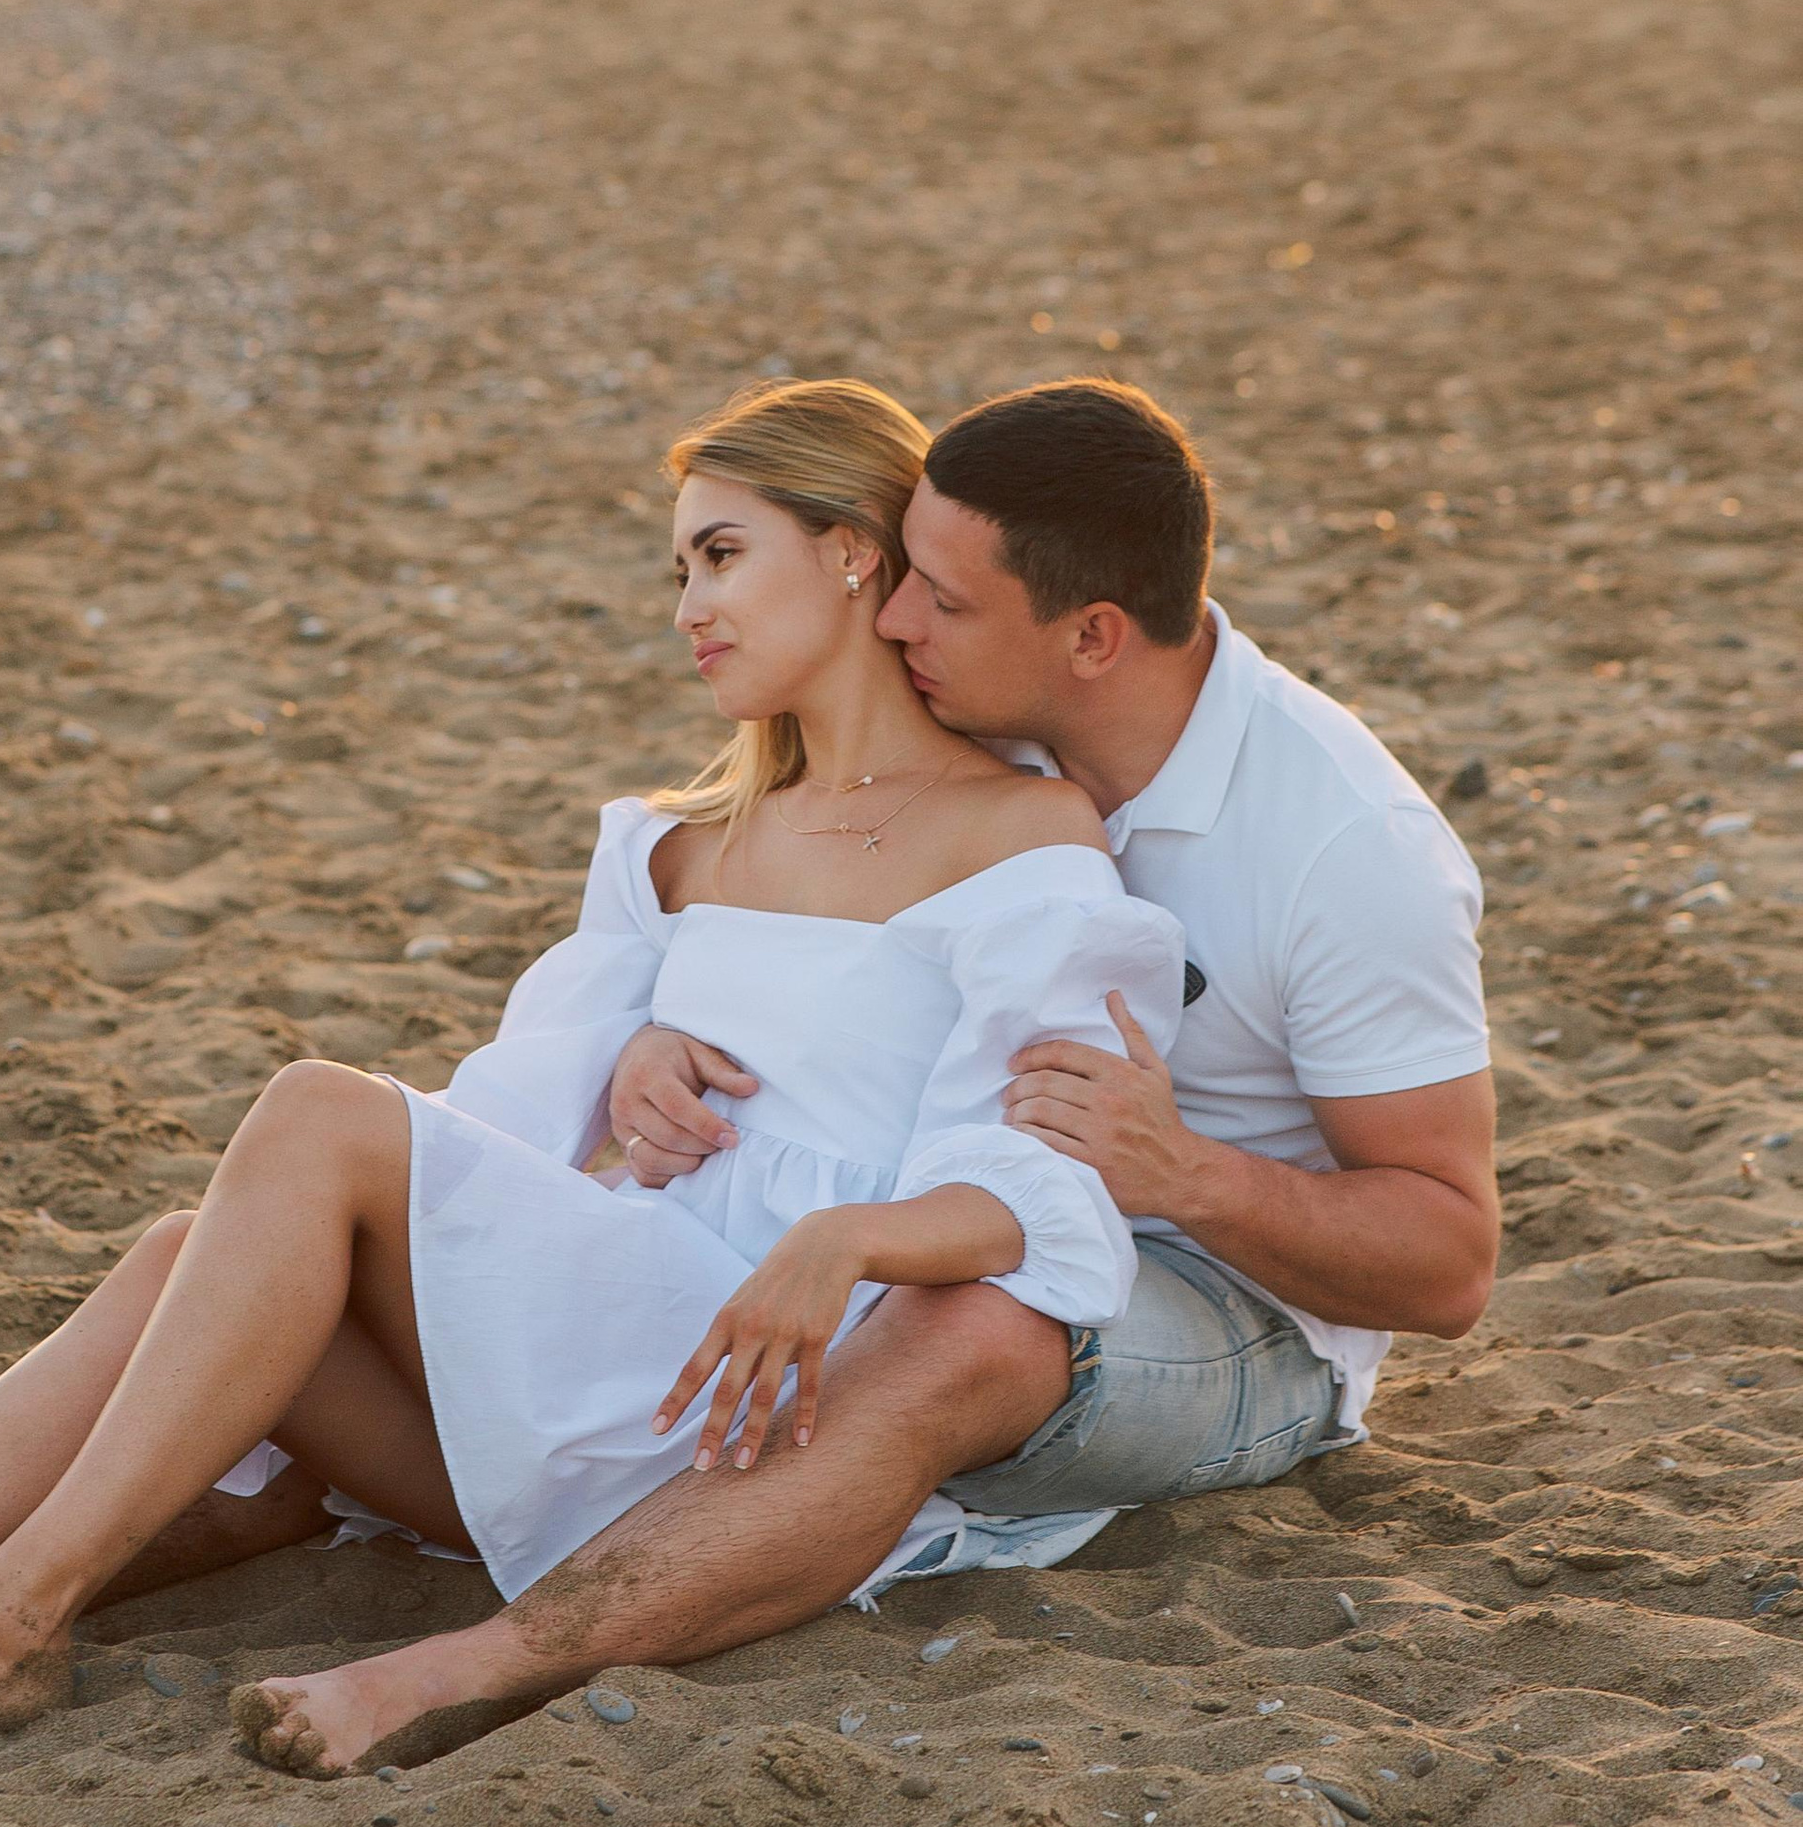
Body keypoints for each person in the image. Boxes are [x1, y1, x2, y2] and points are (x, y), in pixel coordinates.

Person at [0, 378, 1186, 1790]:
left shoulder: (1022, 838)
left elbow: (1047, 1200)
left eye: (721, 557)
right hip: (566, 1386)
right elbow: (498, 1128)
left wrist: (849, 1243)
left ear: (850, 552)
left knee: (312, 1112)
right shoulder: (676, 855)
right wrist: (620, 1065)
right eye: (677, 568)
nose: (687, 608)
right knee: (188, 1251)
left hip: (746, 1410)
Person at [232, 377, 1498, 1776]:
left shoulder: (1347, 848)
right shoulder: (997, 731)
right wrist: (647, 1029)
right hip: (988, 1197)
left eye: (941, 603)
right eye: (903, 578)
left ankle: (473, 1671)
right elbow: (818, 934)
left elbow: (1448, 1264)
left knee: (971, 1323)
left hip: (1237, 1300)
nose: (896, 621)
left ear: (1090, 636)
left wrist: (1186, 1174)